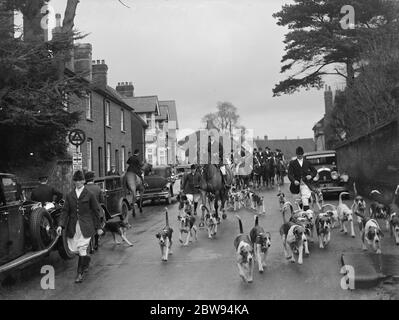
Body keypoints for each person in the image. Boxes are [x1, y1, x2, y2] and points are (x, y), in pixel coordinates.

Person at [56, 170, 103, 284]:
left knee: (82, 248)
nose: (78, 182)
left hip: (86, 225)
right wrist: (60, 225)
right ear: (74, 182)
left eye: (80, 180)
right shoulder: (69, 195)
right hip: (73, 226)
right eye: (76, 180)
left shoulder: (89, 194)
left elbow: (96, 211)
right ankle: (86, 259)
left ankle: (79, 274)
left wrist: (98, 227)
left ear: (84, 181)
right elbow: (65, 211)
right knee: (75, 249)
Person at [288, 147, 317, 211]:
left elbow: (314, 171)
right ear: (296, 155)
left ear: (303, 154)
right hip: (296, 185)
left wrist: (311, 176)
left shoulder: (307, 162)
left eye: (301, 155)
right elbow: (289, 174)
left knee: (305, 198)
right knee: (299, 201)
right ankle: (301, 211)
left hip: (305, 184)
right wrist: (294, 180)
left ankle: (307, 212)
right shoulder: (292, 163)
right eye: (298, 155)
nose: (300, 156)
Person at [84, 171, 104, 252]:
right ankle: (96, 243)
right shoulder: (97, 188)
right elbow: (101, 200)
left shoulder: (83, 188)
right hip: (97, 211)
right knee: (97, 227)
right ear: (93, 179)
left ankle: (91, 247)